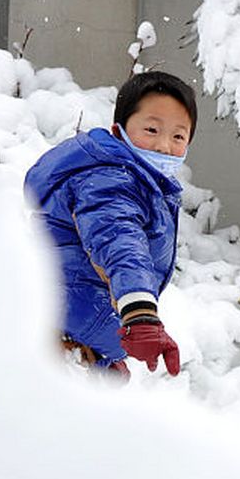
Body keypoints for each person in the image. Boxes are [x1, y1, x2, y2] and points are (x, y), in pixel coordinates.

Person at [25, 71, 193, 375]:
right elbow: (119, 240)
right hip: (62, 318)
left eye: (178, 136)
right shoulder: (110, 179)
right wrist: (140, 313)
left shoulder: (137, 181)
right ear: (119, 132)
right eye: (152, 129)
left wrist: (104, 357)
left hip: (71, 324)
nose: (164, 146)